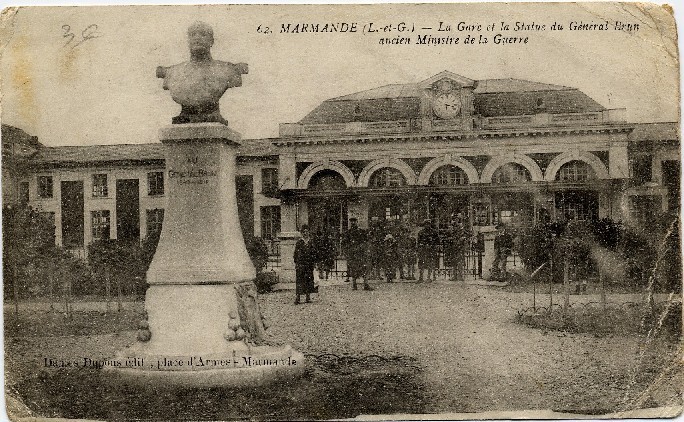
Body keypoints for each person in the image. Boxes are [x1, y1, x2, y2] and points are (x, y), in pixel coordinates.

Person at [343, 218, 374, 291]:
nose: (353, 223)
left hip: (361, 253)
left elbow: (366, 241)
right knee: (354, 268)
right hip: (353, 254)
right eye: (352, 222)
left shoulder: (361, 232)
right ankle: (354, 284)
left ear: (357, 222)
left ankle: (365, 284)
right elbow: (344, 243)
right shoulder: (348, 233)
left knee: (365, 268)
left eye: (354, 222)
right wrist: (348, 251)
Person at [293, 225, 317, 304]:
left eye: (306, 232)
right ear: (301, 233)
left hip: (309, 264)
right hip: (301, 264)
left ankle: (308, 297)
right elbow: (295, 254)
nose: (305, 233)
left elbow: (314, 253)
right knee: (300, 280)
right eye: (303, 232)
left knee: (309, 280)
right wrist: (297, 262)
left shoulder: (311, 242)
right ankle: (298, 297)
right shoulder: (299, 242)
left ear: (309, 232)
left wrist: (314, 262)